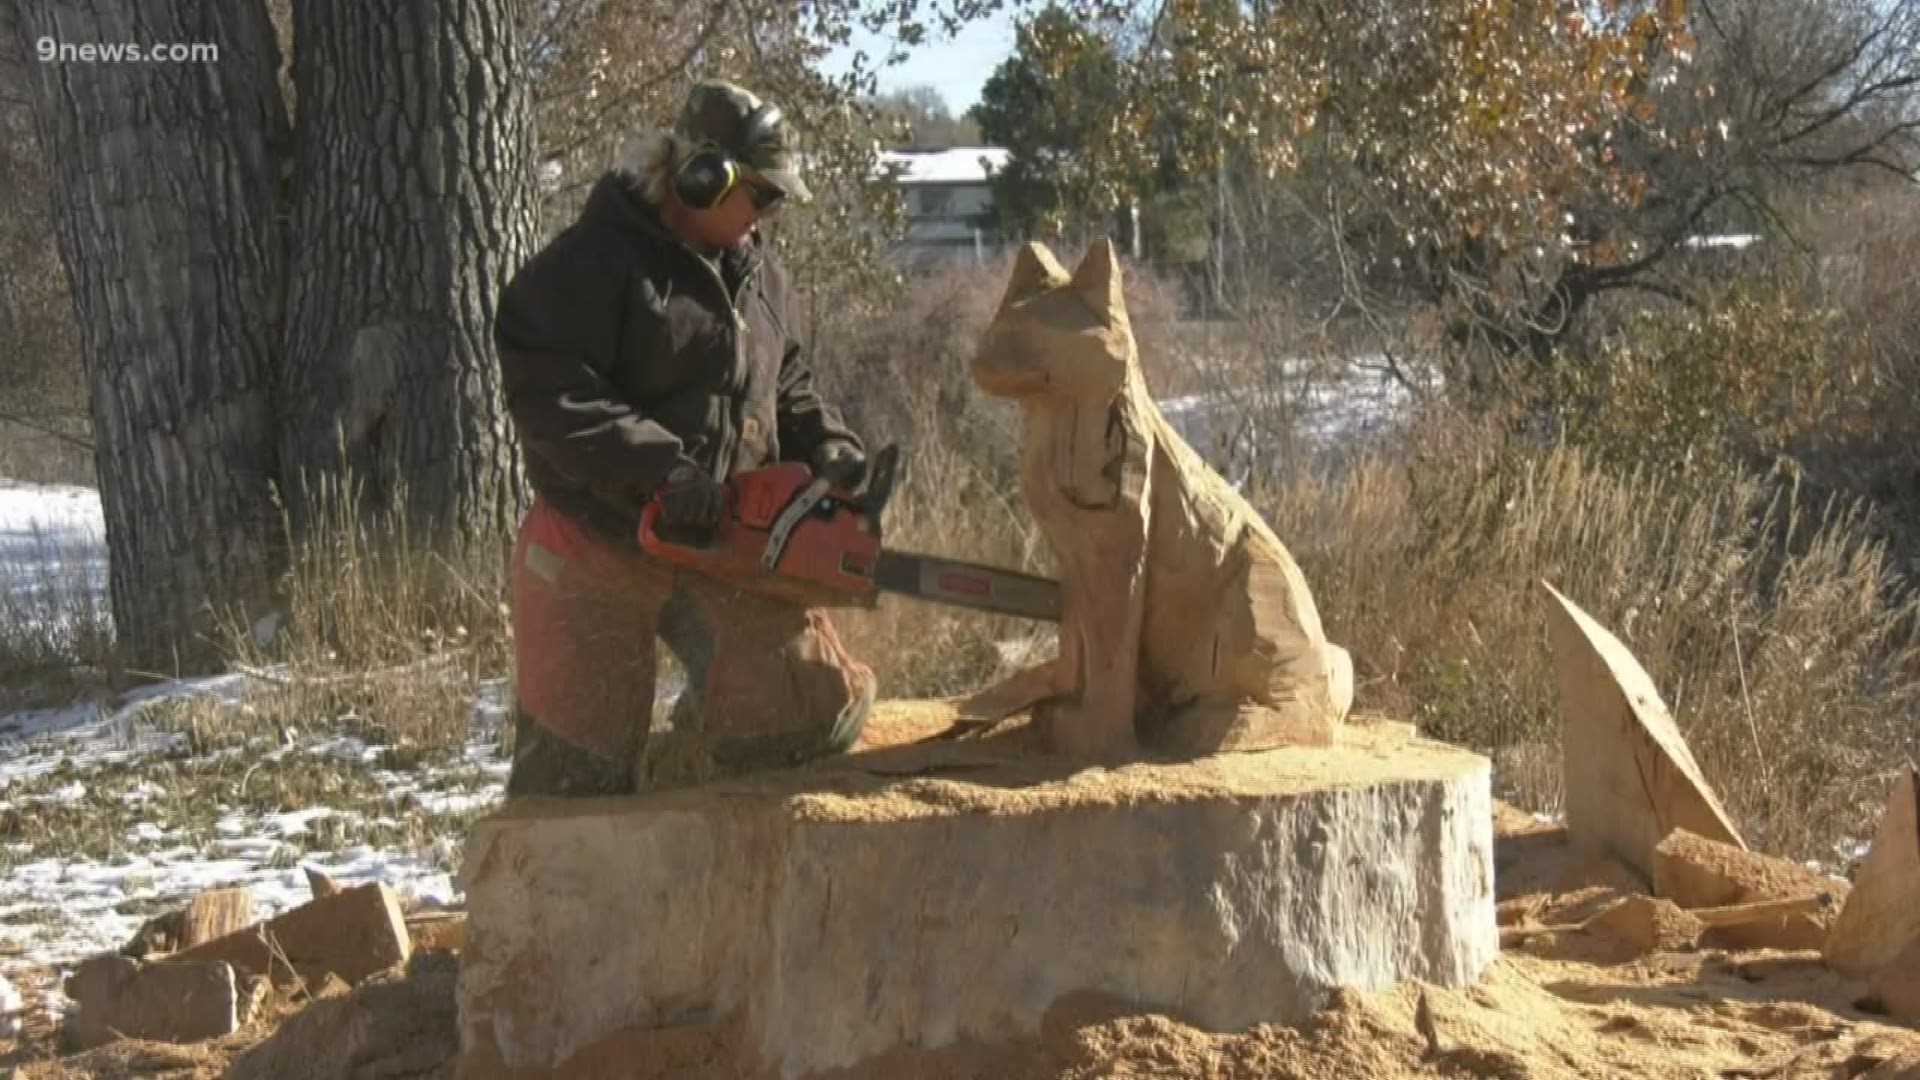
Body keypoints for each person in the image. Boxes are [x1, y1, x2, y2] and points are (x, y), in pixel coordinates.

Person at [492, 79, 876, 798]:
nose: (766, 216)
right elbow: (550, 387)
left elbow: (788, 382)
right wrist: (662, 468)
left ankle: (681, 779)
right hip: (593, 546)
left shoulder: (760, 279)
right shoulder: (594, 263)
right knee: (573, 786)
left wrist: (829, 449)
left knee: (804, 721)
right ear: (702, 177)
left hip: (712, 542)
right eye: (759, 196)